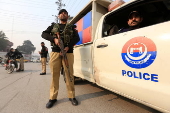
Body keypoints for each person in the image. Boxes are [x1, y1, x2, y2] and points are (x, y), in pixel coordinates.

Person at [41, 9, 80, 108]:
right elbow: (44, 34)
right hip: (55, 52)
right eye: (61, 13)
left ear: (67, 16)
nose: (63, 14)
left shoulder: (72, 27)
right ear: (58, 16)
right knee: (54, 75)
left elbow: (77, 38)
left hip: (68, 52)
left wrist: (68, 46)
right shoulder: (53, 26)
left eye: (65, 13)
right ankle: (52, 98)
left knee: (69, 75)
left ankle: (72, 96)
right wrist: (54, 39)